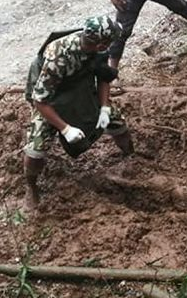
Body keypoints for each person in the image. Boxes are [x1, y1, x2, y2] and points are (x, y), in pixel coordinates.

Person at [23, 16, 132, 210]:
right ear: (99, 43)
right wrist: (66, 129)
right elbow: (41, 100)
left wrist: (105, 107)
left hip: (80, 84)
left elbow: (103, 76)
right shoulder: (59, 57)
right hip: (51, 96)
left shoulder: (98, 48)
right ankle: (31, 187)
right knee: (36, 148)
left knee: (117, 122)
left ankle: (131, 157)